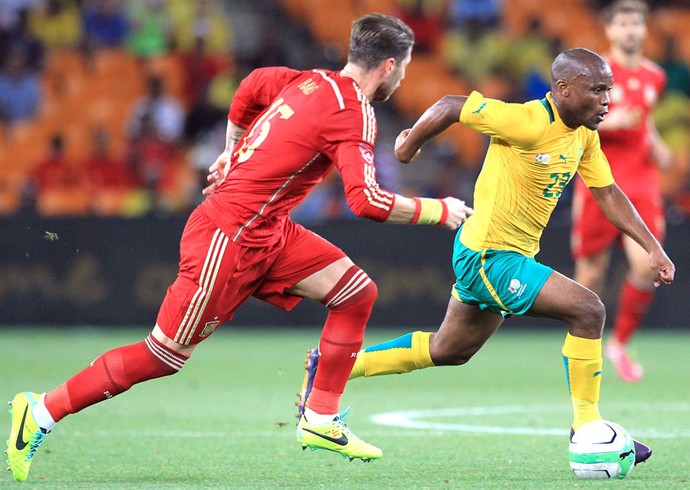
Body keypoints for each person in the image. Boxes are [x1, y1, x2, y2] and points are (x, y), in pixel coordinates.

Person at [6, 13, 473, 482]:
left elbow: (252, 85)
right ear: (389, 66)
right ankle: (41, 410)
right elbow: (365, 200)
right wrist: (439, 211)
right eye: (407, 68)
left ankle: (321, 418)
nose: (405, 76)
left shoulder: (307, 81)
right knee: (162, 356)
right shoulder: (354, 112)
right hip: (227, 237)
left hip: (268, 230)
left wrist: (230, 148)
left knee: (355, 292)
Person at [296, 47, 675, 471]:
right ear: (564, 89)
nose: (608, 100)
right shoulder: (527, 121)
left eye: (610, 91)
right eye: (598, 90)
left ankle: (332, 369)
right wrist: (407, 148)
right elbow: (449, 106)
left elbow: (607, 193)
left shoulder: (583, 134)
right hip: (489, 256)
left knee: (449, 349)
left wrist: (652, 246)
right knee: (589, 310)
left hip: (501, 255)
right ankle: (586, 427)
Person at [570, 0, 672, 383]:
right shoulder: (595, 75)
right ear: (609, 31)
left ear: (644, 31)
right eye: (623, 24)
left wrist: (655, 142)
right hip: (600, 181)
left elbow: (644, 121)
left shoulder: (655, 76)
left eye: (637, 24)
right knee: (590, 278)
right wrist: (611, 121)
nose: (631, 30)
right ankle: (583, 350)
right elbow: (577, 121)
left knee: (647, 265)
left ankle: (620, 344)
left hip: (642, 181)